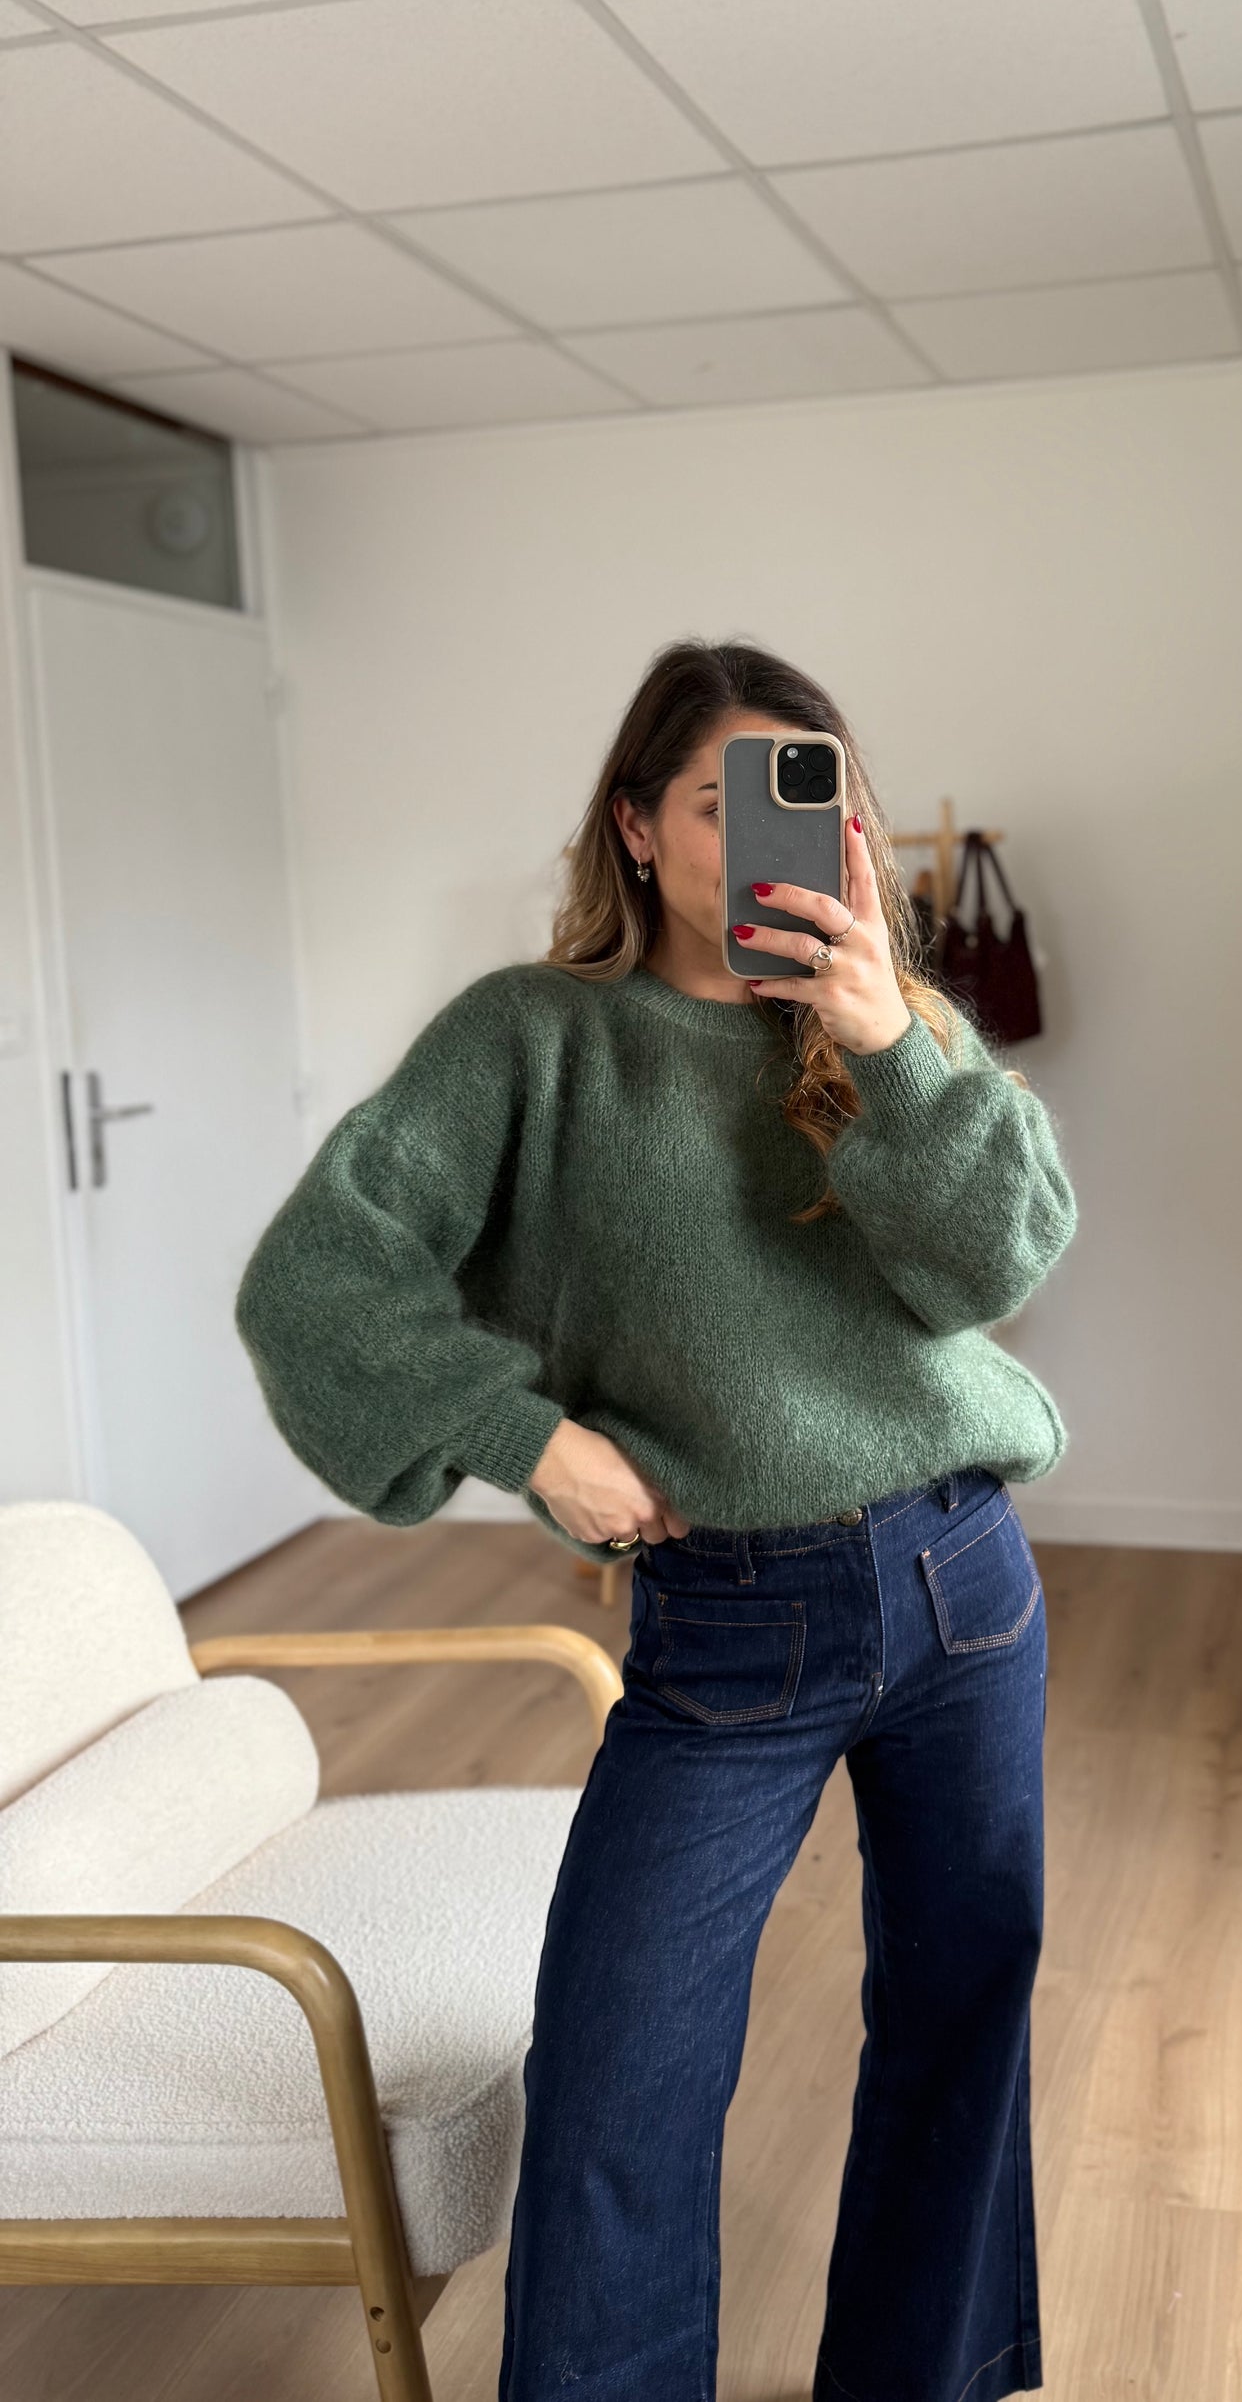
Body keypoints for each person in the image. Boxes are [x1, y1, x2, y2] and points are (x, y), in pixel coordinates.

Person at [233, 637, 1079, 2402]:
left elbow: (998, 1267)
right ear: (635, 827)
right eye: (722, 799)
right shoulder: (531, 1037)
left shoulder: (897, 1024)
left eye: (815, 797)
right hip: (731, 1618)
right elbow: (315, 1282)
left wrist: (886, 1043)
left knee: (961, 2008)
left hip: (962, 1581)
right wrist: (523, 1437)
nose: (778, 833)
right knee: (622, 2069)